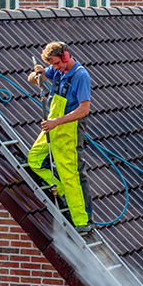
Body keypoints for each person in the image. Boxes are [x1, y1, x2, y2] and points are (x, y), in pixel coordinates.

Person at [27, 41, 93, 235]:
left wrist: (56, 122)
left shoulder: (81, 76)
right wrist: (38, 73)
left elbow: (84, 109)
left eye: (57, 64)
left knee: (72, 175)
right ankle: (62, 190)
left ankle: (83, 222)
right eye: (52, 65)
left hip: (69, 130)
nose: (55, 68)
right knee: (35, 160)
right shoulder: (56, 70)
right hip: (53, 127)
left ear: (65, 56)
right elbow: (32, 80)